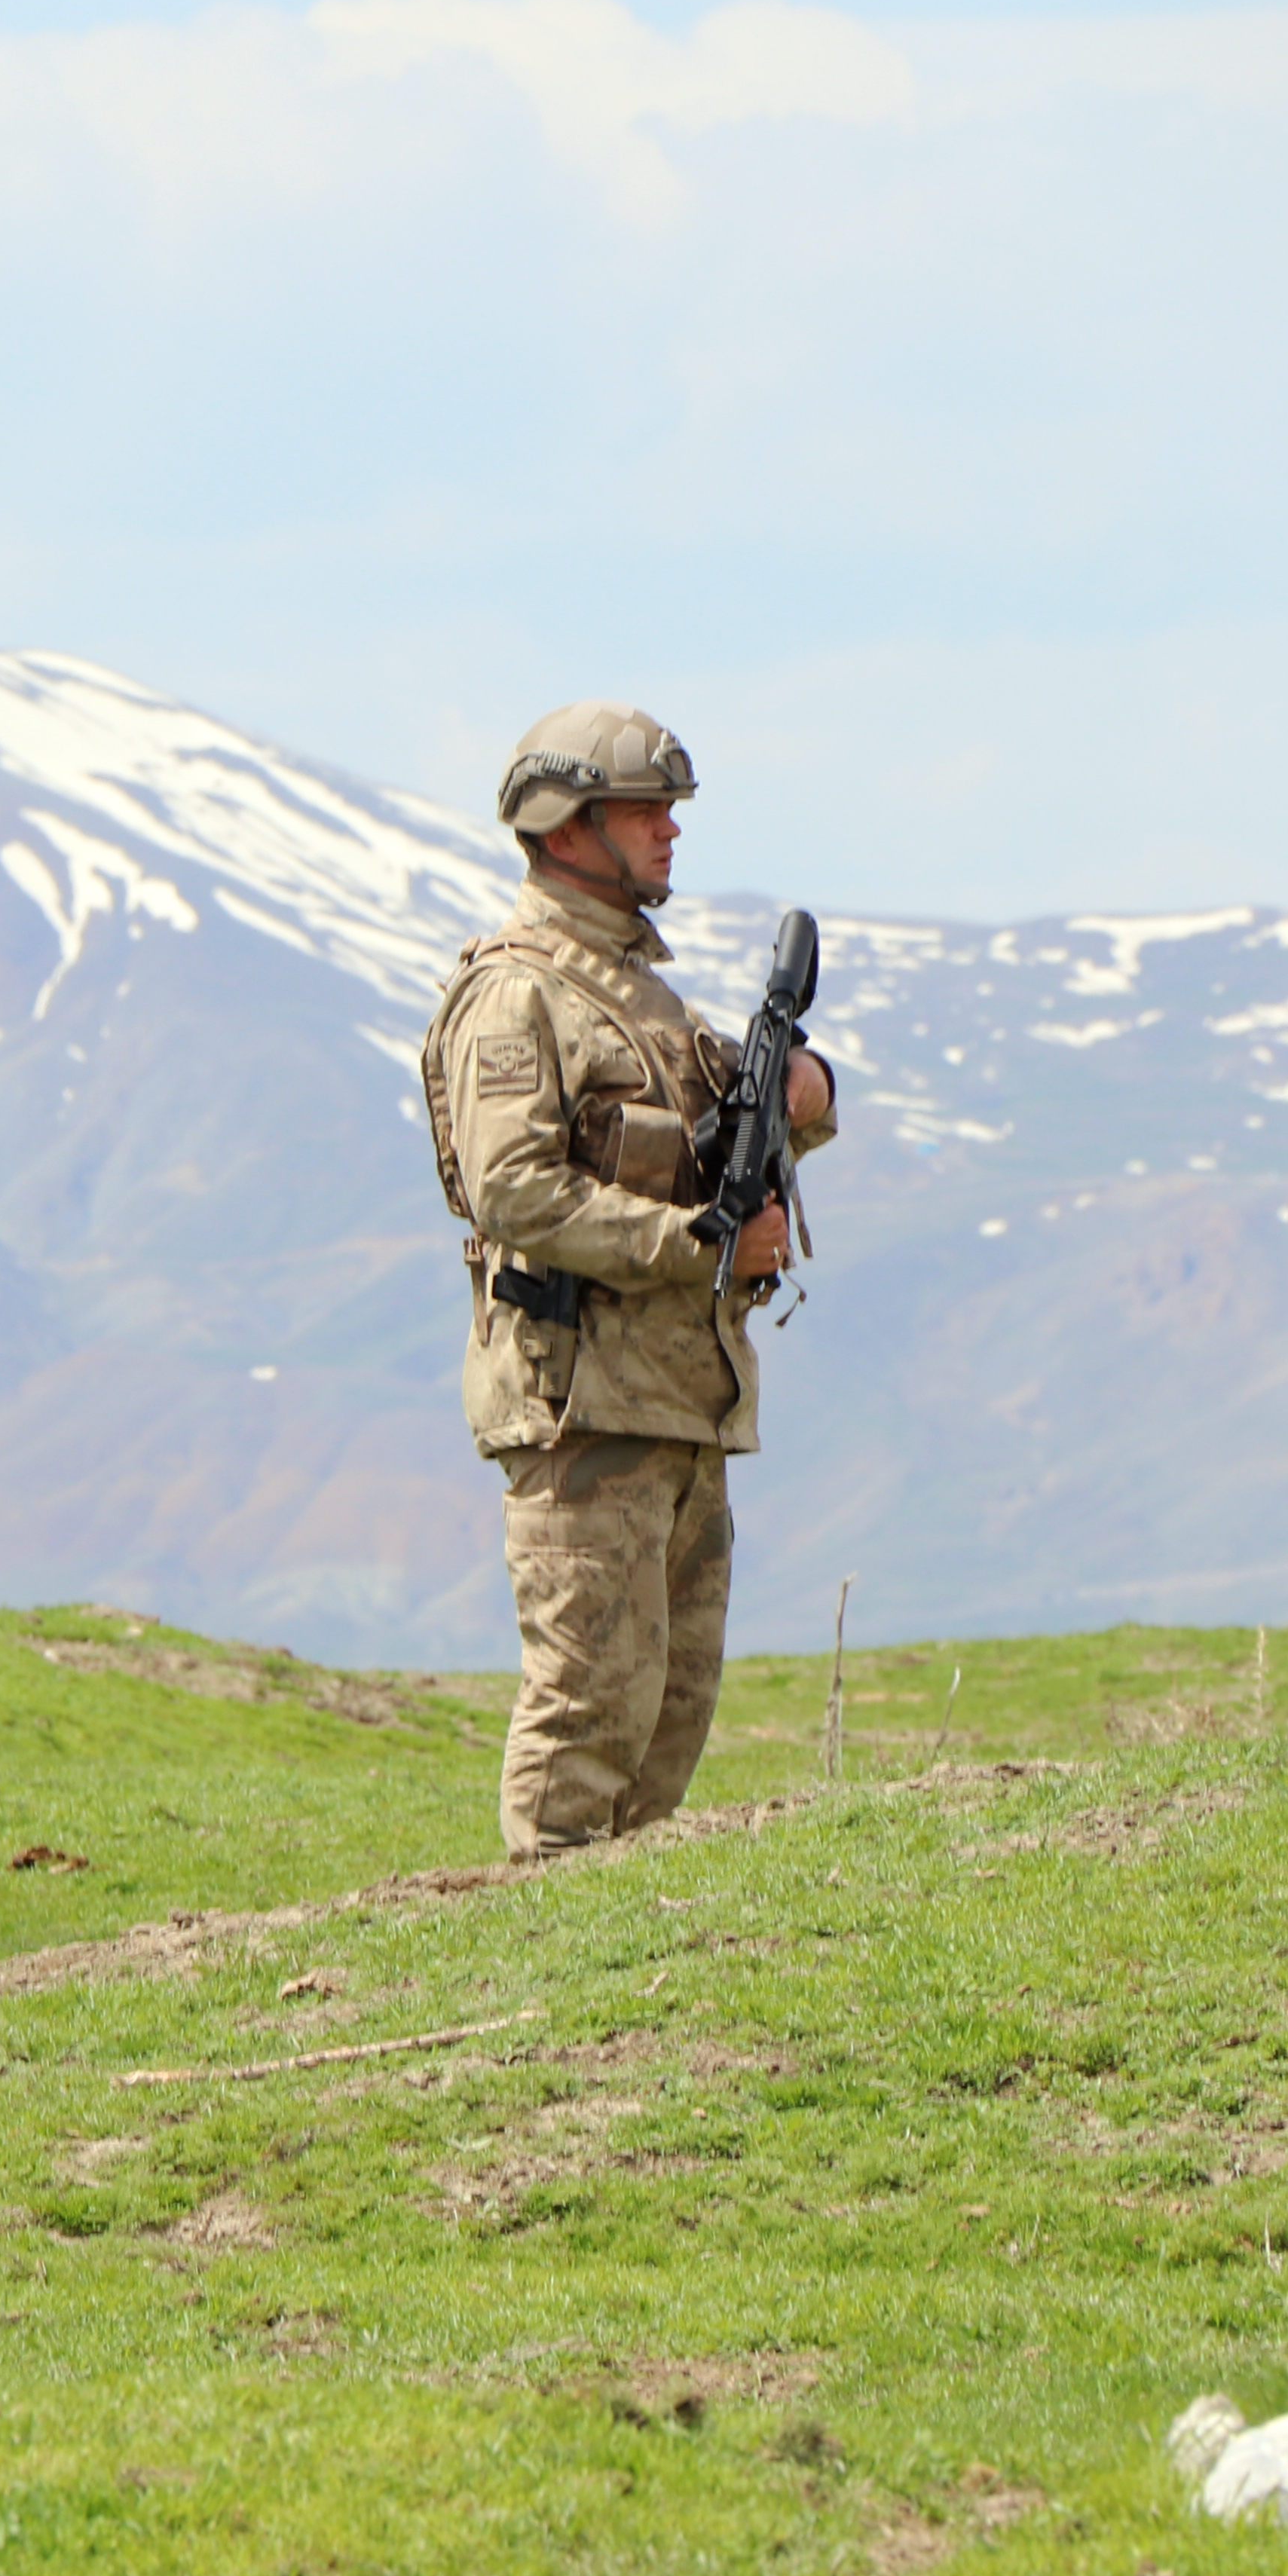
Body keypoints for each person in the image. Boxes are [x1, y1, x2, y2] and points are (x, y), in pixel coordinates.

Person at [418, 702, 837, 1859]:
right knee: (585, 1733)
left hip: (679, 1409)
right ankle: (541, 2005)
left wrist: (806, 1099)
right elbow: (514, 1193)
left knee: (664, 1736)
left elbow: (723, 1139)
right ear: (565, 825)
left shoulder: (642, 997)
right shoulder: (520, 996)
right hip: (584, 1412)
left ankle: (621, 2003)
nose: (670, 832)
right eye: (645, 809)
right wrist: (700, 1250)